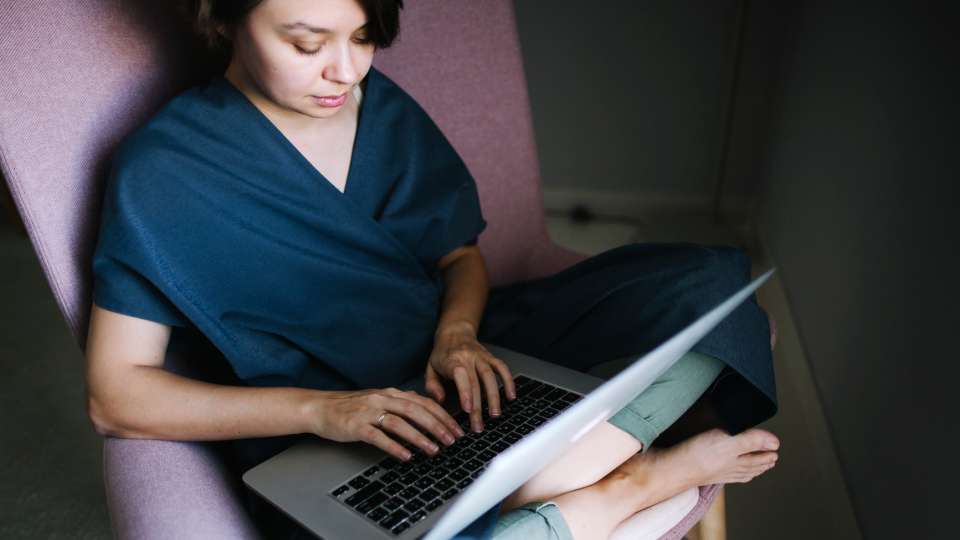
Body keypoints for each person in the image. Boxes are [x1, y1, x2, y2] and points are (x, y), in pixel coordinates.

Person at [84, 1, 781, 538]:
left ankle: (541, 490)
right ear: (227, 17)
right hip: (327, 434)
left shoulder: (377, 107)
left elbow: (459, 255)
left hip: (465, 367)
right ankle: (626, 484)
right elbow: (117, 397)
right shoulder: (165, 170)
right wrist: (325, 411)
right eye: (306, 43)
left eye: (361, 38)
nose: (344, 71)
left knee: (708, 287)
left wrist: (458, 335)